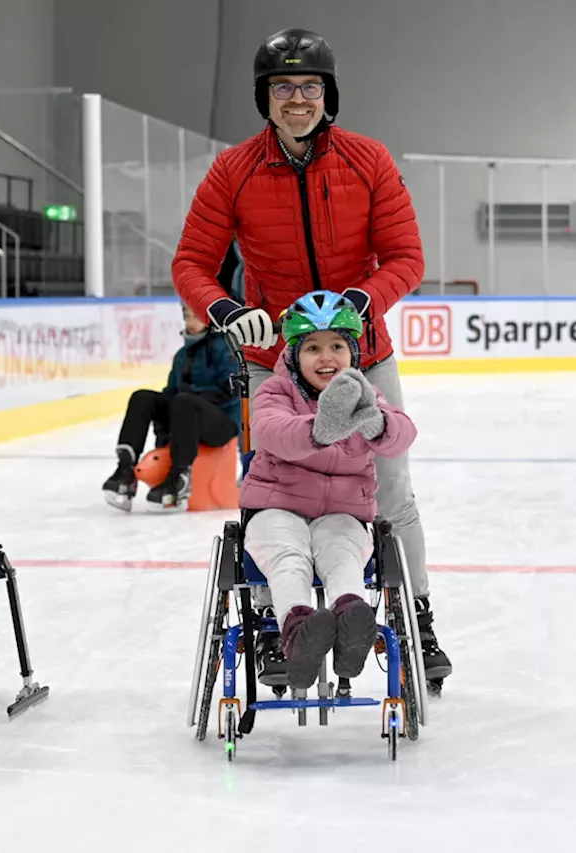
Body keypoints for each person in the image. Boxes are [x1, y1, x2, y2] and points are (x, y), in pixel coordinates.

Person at [172, 27, 452, 689]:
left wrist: (363, 297)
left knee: (392, 492)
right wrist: (227, 311)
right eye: (282, 87)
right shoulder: (234, 170)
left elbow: (408, 259)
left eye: (308, 86)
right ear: (264, 98)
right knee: (274, 492)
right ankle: (276, 622)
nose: (296, 98)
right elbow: (192, 262)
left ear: (328, 94)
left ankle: (415, 611)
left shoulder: (368, 160)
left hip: (363, 355)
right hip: (273, 357)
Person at [241, 291, 416, 688]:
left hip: (341, 513)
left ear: (353, 352)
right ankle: (299, 630)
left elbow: (403, 434)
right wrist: (320, 430)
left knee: (343, 554)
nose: (327, 357)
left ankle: (351, 621)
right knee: (288, 556)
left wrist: (375, 423)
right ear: (293, 355)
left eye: (337, 346)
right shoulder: (275, 392)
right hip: (276, 507)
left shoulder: (365, 396)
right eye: (314, 348)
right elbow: (271, 433)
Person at [102, 303, 240, 511]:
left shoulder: (225, 349)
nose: (190, 323)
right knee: (143, 397)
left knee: (184, 400)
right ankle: (125, 470)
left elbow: (232, 390)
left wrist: (192, 403)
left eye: (196, 317)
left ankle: (179, 478)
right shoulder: (182, 355)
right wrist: (165, 433)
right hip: (186, 415)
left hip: (221, 423)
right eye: (187, 317)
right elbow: (171, 392)